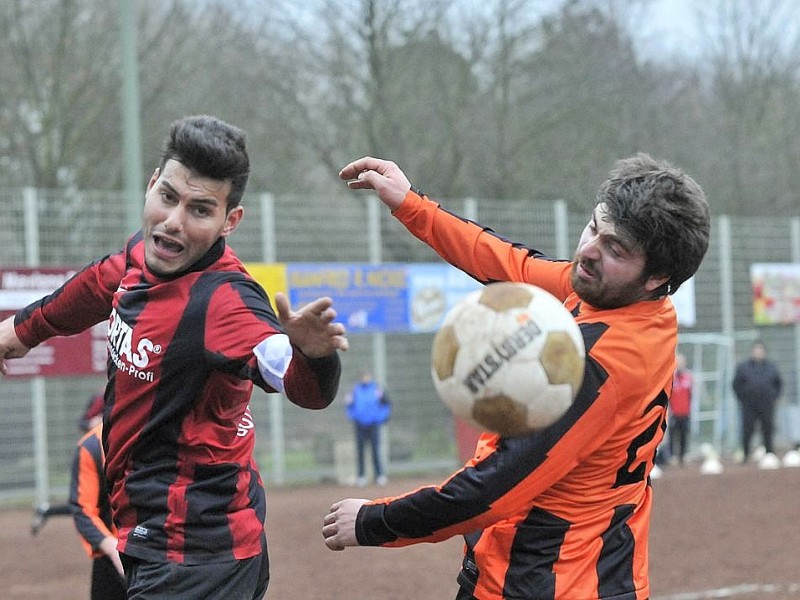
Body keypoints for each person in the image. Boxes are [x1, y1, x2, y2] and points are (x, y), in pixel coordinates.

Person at [323, 153, 710, 599]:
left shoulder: (596, 364)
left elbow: (489, 491)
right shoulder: (634, 304)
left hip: (547, 582)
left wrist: (374, 521)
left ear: (656, 276)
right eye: (593, 228)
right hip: (589, 570)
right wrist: (410, 203)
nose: (588, 251)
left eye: (615, 249)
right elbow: (508, 263)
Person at [0, 115, 348, 599]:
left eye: (200, 210)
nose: (173, 222)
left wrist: (314, 356)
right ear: (152, 186)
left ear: (230, 221)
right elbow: (96, 284)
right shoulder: (141, 255)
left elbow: (301, 386)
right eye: (168, 197)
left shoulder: (226, 302)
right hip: (155, 540)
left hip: (200, 556)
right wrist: (18, 333)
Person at [70, 398, 126, 599]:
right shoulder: (92, 446)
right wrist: (111, 548)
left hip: (160, 551)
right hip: (112, 556)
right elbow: (83, 509)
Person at [31, 393, 106, 536]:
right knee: (87, 502)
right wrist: (94, 422)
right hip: (98, 456)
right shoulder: (102, 397)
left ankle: (46, 510)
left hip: (117, 456)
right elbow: (83, 422)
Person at [733, 340, 783, 463]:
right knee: (747, 429)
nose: (758, 353)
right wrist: (742, 398)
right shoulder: (744, 367)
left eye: (760, 350)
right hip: (749, 404)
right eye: (756, 350)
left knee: (768, 428)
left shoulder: (771, 367)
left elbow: (778, 384)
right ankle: (745, 455)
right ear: (752, 352)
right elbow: (736, 384)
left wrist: (775, 398)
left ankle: (769, 455)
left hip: (766, 404)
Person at [345, 370, 391, 486]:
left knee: (375, 450)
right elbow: (349, 405)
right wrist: (354, 417)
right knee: (360, 451)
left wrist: (380, 418)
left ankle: (379, 475)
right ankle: (361, 476)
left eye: (367, 376)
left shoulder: (377, 389)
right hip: (360, 425)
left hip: (374, 425)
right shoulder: (355, 390)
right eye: (363, 376)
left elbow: (386, 404)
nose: (365, 378)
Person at [668, 351, 693, 466]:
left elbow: (691, 394)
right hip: (674, 412)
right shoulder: (671, 377)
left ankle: (683, 455)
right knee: (673, 435)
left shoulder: (689, 377)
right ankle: (673, 456)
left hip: (685, 412)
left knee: (684, 434)